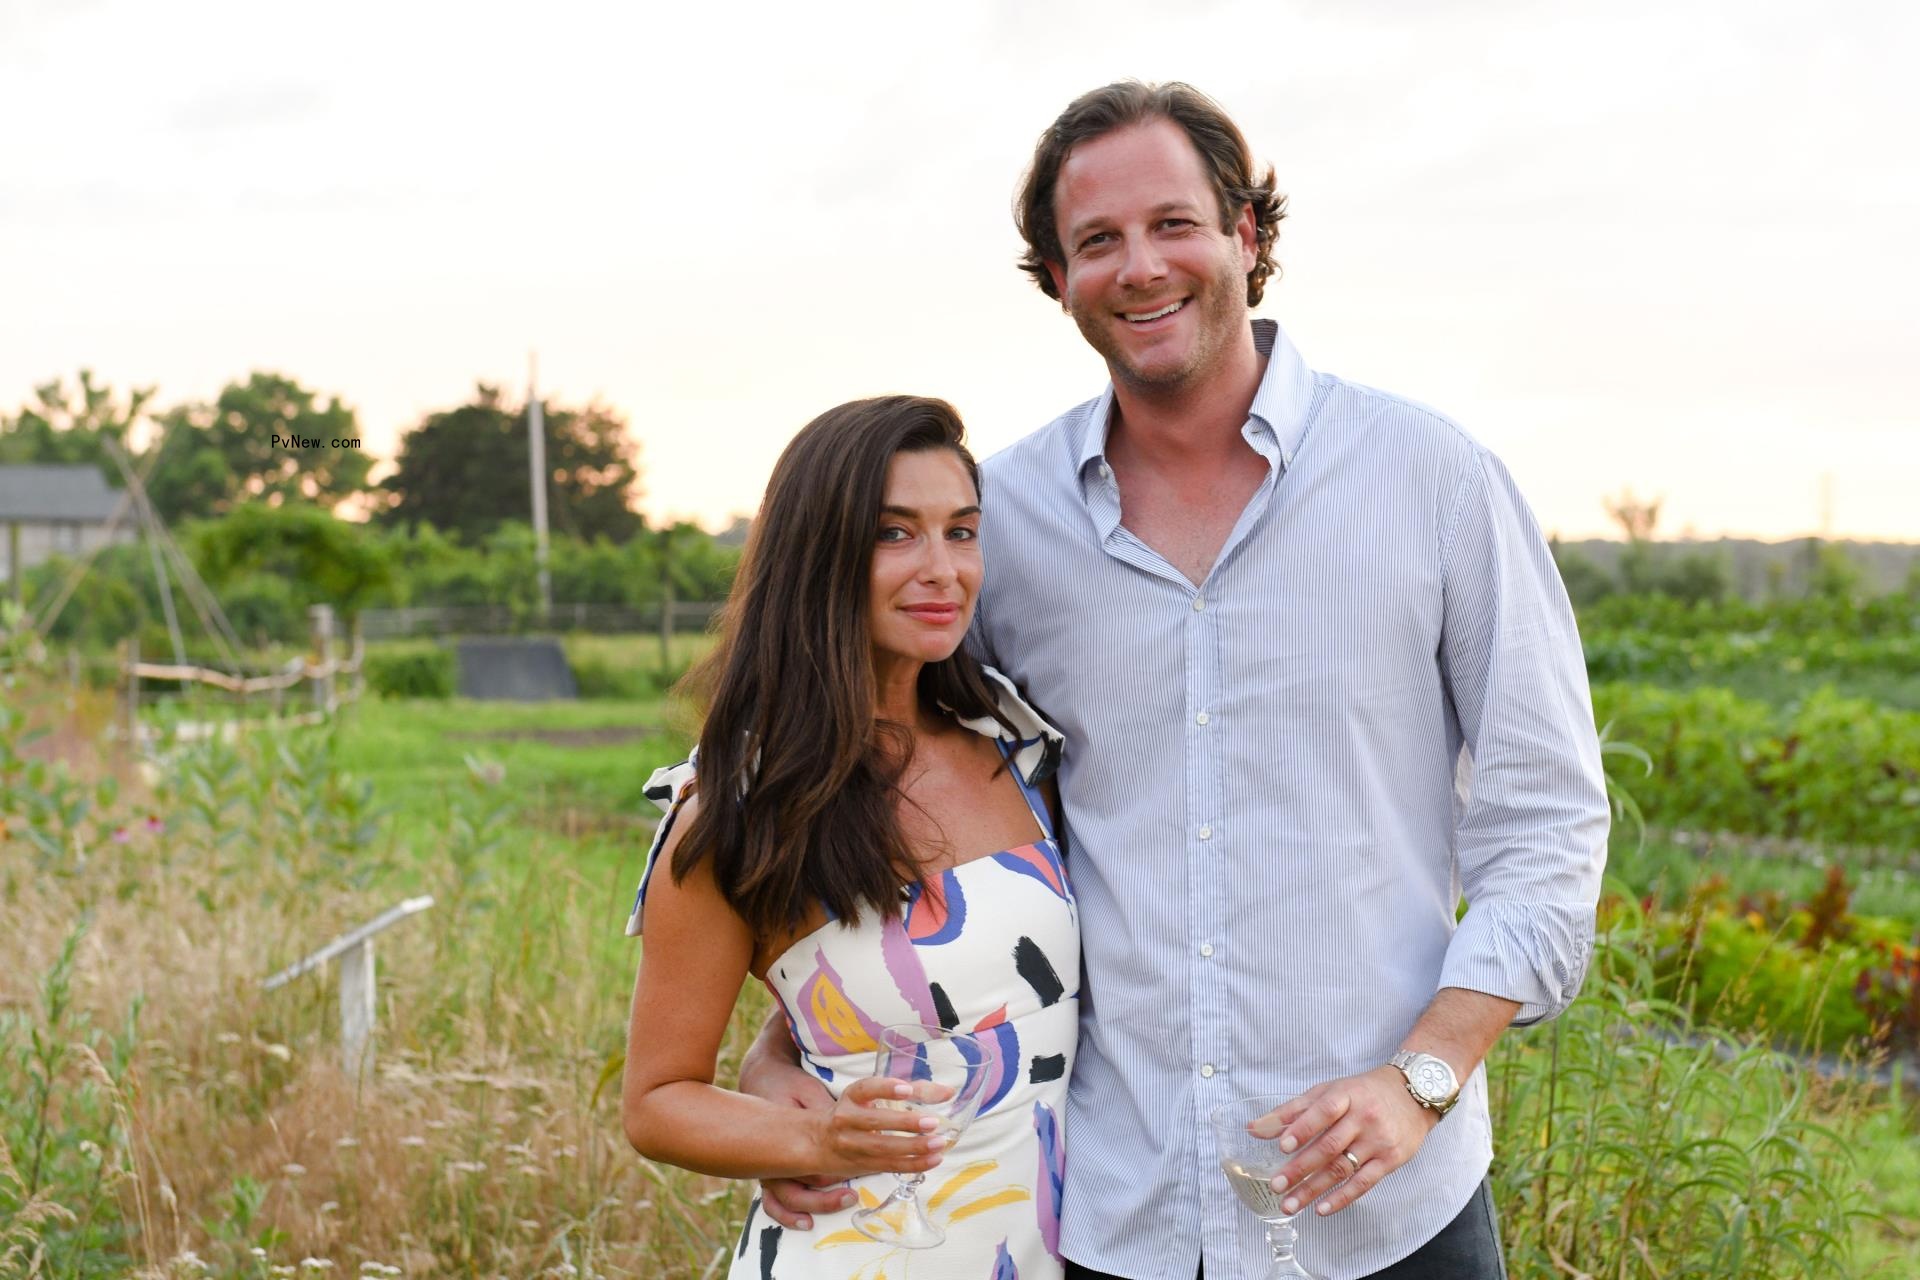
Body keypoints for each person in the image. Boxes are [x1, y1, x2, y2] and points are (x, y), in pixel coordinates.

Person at [742, 82, 1610, 1280]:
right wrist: (781, 1046)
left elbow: (1550, 819)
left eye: (1174, 224)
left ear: (1248, 237)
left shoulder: (1437, 483)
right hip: (1112, 1208)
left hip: (1392, 1209)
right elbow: (904, 788)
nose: (1140, 266)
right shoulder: (1003, 525)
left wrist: (1424, 1077)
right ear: (1057, 278)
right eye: (1096, 241)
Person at [620, 395, 1076, 1279]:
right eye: (894, 534)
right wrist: (807, 1135)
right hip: (865, 1254)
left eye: (962, 531)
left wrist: (781, 1046)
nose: (944, 569)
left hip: (1052, 1248)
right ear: (817, 556)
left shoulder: (1019, 751)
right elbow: (657, 1101)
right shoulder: (737, 814)